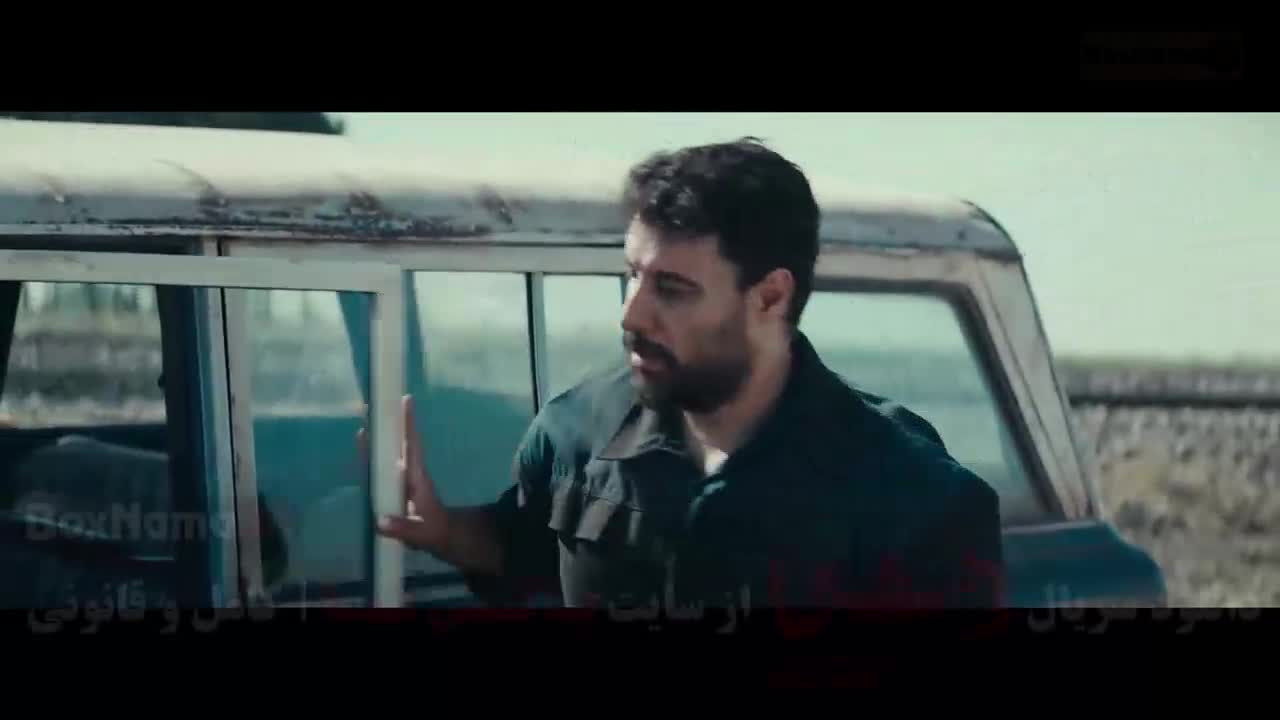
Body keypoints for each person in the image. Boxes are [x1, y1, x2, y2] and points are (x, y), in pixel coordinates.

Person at [370, 138, 1004, 609]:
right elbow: (522, 548)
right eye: (632, 274)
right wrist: (444, 529)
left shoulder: (913, 500)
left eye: (671, 289)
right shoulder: (574, 435)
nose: (631, 314)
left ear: (770, 297)